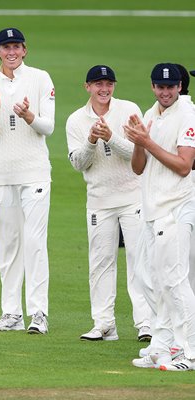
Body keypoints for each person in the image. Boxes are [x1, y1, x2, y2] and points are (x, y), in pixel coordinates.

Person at [0, 27, 55, 334]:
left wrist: (29, 116)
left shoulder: (40, 78)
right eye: (5, 47)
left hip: (34, 174)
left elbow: (48, 126)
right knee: (8, 245)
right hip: (1, 176)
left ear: (25, 50)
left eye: (16, 46)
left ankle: (38, 313)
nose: (11, 52)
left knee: (34, 243)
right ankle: (11, 314)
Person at [66, 65, 153, 342]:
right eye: (98, 84)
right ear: (87, 87)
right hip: (99, 201)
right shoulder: (76, 120)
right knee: (101, 263)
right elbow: (79, 163)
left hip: (132, 198)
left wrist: (111, 137)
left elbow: (139, 153)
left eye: (109, 83)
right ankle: (104, 325)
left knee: (140, 261)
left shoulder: (129, 110)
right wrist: (91, 140)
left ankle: (146, 324)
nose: (104, 89)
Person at [126, 63, 195, 371]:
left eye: (171, 86)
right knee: (149, 279)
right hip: (152, 210)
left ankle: (189, 351)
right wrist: (140, 142)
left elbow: (183, 165)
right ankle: (162, 344)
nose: (165, 91)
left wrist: (147, 142)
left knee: (176, 282)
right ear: (153, 87)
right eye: (159, 86)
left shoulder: (188, 115)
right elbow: (138, 167)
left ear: (180, 86)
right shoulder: (150, 114)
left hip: (176, 208)